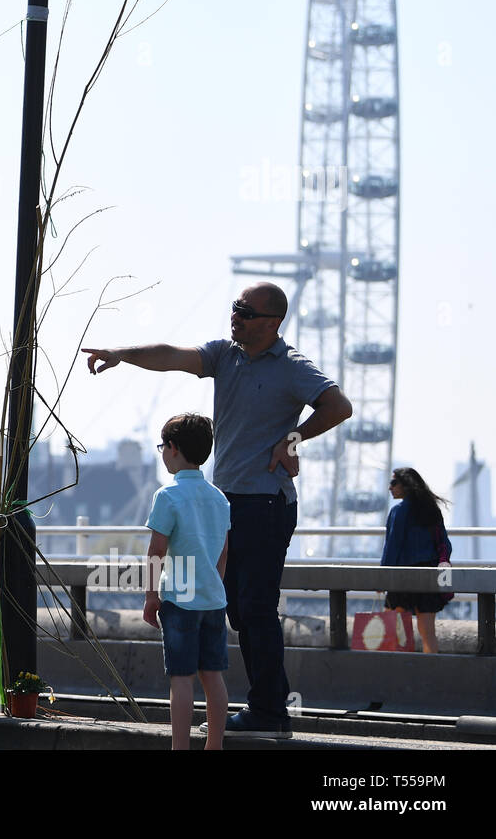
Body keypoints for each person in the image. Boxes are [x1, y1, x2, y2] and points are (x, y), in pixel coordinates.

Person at [84, 282, 353, 738]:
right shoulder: (224, 355)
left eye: (246, 312)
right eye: (235, 308)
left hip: (267, 503)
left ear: (273, 323)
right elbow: (172, 355)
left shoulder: (292, 367)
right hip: (226, 502)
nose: (236, 317)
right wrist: (121, 353)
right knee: (232, 607)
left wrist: (294, 438)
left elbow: (339, 405)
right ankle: (259, 707)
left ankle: (269, 709)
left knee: (255, 606)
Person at [142, 413, 231, 750]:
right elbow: (223, 552)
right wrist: (213, 585)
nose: (162, 452)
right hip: (213, 601)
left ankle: (181, 747)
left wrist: (152, 596)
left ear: (174, 448)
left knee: (181, 678)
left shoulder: (167, 496)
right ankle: (214, 746)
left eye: (163, 446)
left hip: (179, 601)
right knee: (213, 676)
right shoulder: (219, 498)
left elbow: (156, 551)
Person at [381, 467, 453, 654]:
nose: (390, 487)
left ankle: (401, 672)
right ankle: (433, 673)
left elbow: (392, 546)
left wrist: (382, 576)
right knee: (428, 631)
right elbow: (444, 542)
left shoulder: (399, 511)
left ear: (406, 486)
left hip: (403, 577)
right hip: (428, 576)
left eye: (394, 483)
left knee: (396, 630)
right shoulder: (430, 509)